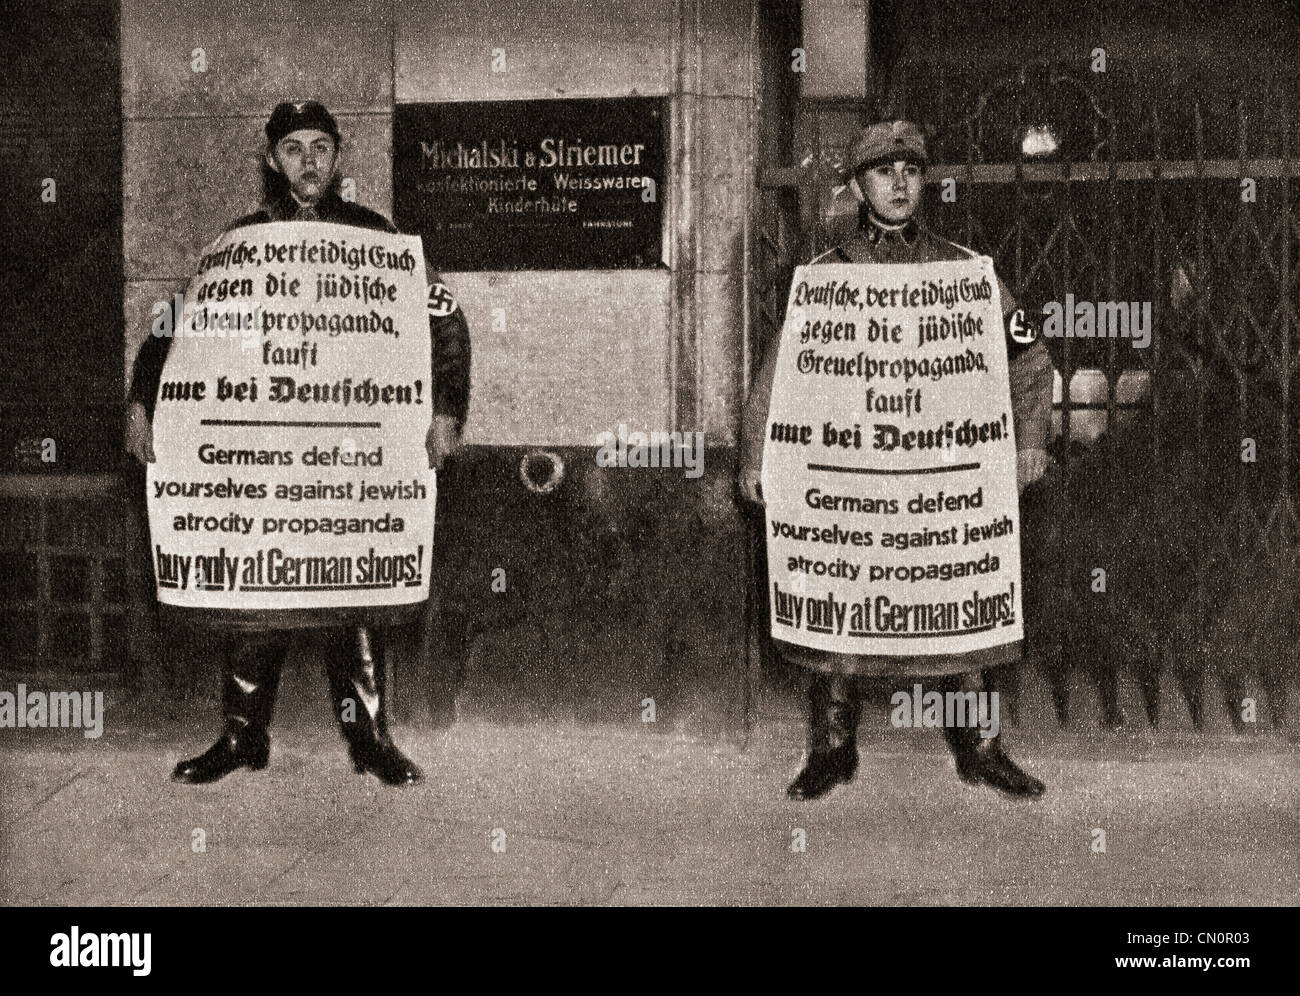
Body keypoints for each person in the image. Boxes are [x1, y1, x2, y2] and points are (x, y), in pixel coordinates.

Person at [124, 100, 471, 786]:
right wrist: (141, 401)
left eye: (320, 146)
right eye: (292, 149)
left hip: (352, 456)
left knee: (356, 597)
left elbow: (446, 322)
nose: (307, 161)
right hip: (267, 458)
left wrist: (447, 411)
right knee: (257, 589)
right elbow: (174, 326)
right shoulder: (242, 243)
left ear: (339, 157)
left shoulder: (380, 241)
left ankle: (372, 741)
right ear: (271, 160)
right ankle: (243, 736)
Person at [738, 120, 1054, 801]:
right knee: (837, 591)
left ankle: (981, 748)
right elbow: (777, 376)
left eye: (911, 168)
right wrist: (757, 453)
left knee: (960, 601)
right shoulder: (825, 279)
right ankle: (831, 749)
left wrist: (1030, 440)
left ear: (925, 181)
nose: (900, 182)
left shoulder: (967, 274)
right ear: (859, 187)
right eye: (885, 171)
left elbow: (1028, 358)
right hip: (852, 480)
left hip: (943, 482)